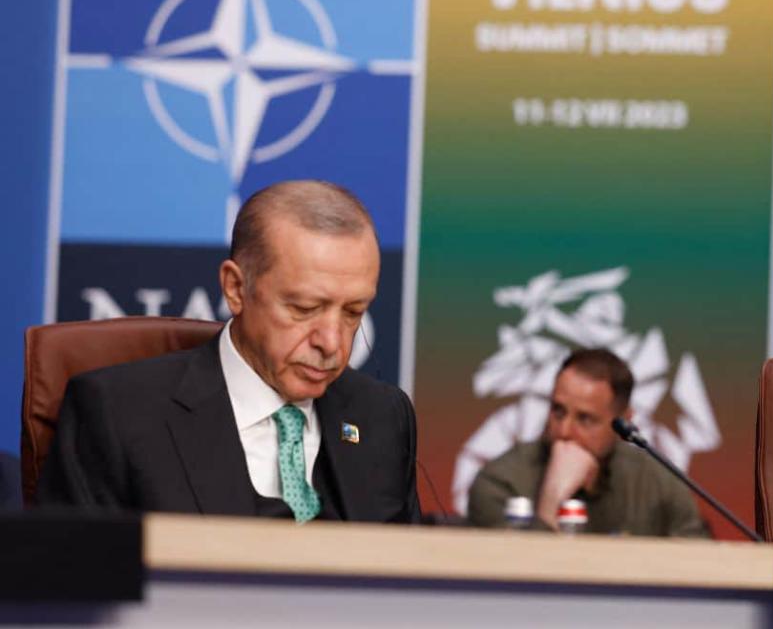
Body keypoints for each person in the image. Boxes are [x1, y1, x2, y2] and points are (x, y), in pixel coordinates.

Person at [38, 181, 419, 523]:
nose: (333, 343)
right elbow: (70, 588)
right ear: (236, 288)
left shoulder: (382, 416)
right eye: (304, 309)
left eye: (354, 313)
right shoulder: (118, 415)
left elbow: (415, 589)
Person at [468, 348, 707, 537]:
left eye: (585, 419)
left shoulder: (658, 484)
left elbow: (700, 570)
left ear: (623, 422)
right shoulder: (501, 482)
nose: (564, 431)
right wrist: (551, 503)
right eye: (558, 411)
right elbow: (508, 586)